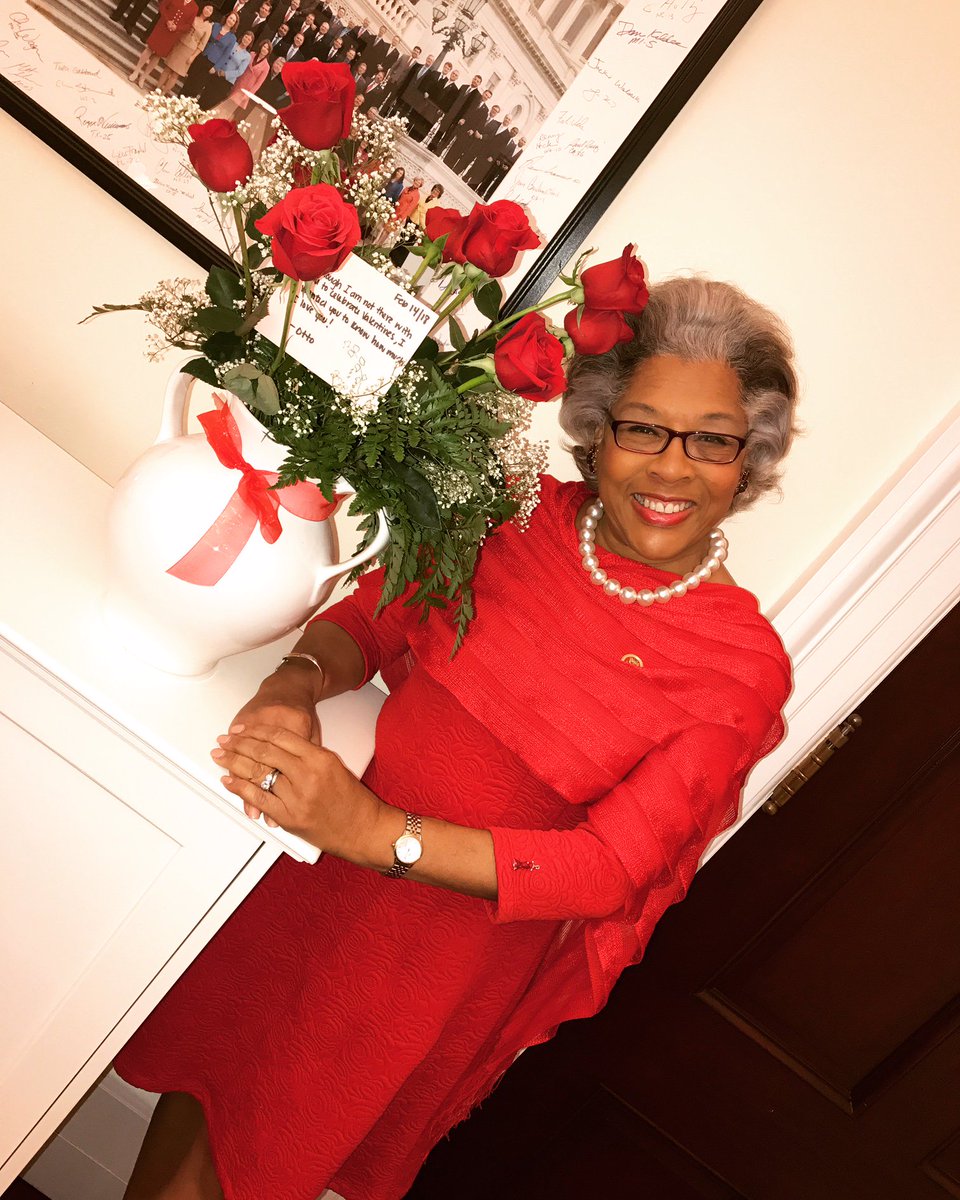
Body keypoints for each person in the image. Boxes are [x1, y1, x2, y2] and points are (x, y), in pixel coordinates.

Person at [113, 274, 797, 1200]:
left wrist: (371, 832)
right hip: (309, 874)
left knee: (247, 1168)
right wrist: (291, 685)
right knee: (197, 1099)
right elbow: (374, 617)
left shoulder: (739, 668)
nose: (673, 468)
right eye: (643, 427)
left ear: (747, 461)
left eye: (712, 440)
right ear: (598, 429)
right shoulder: (512, 513)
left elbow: (605, 871)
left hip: (432, 954)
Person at [128, 0, 197, 89]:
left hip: (173, 34)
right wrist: (167, 20)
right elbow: (163, 6)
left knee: (158, 55)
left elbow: (188, 25)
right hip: (162, 26)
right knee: (150, 48)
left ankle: (143, 77)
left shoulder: (194, 7)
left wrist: (177, 27)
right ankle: (136, 71)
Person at [156, 2, 214, 94]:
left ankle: (163, 93)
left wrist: (193, 57)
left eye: (210, 11)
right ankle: (157, 89)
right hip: (180, 44)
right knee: (168, 68)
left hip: (190, 51)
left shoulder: (208, 27)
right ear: (203, 8)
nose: (208, 11)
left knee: (176, 74)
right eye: (207, 8)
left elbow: (202, 44)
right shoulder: (193, 17)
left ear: (211, 14)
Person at [180, 10, 239, 98]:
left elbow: (226, 55)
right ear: (227, 17)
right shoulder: (215, 26)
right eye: (230, 18)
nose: (231, 21)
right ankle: (179, 98)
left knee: (198, 85)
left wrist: (216, 67)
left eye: (233, 20)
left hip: (212, 63)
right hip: (202, 56)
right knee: (190, 79)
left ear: (235, 24)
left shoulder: (232, 38)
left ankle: (188, 103)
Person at [198, 27, 255, 109]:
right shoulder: (233, 43)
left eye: (249, 39)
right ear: (242, 36)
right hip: (216, 73)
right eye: (246, 37)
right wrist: (217, 68)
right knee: (205, 94)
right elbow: (222, 54)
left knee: (213, 101)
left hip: (227, 81)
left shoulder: (247, 56)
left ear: (250, 43)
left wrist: (225, 74)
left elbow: (240, 71)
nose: (246, 40)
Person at [216, 38, 273, 119]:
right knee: (225, 104)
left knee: (232, 112)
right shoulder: (251, 54)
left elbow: (258, 84)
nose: (265, 49)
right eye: (264, 47)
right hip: (238, 83)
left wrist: (248, 95)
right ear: (261, 46)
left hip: (246, 91)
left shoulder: (266, 66)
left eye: (267, 49)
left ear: (268, 52)